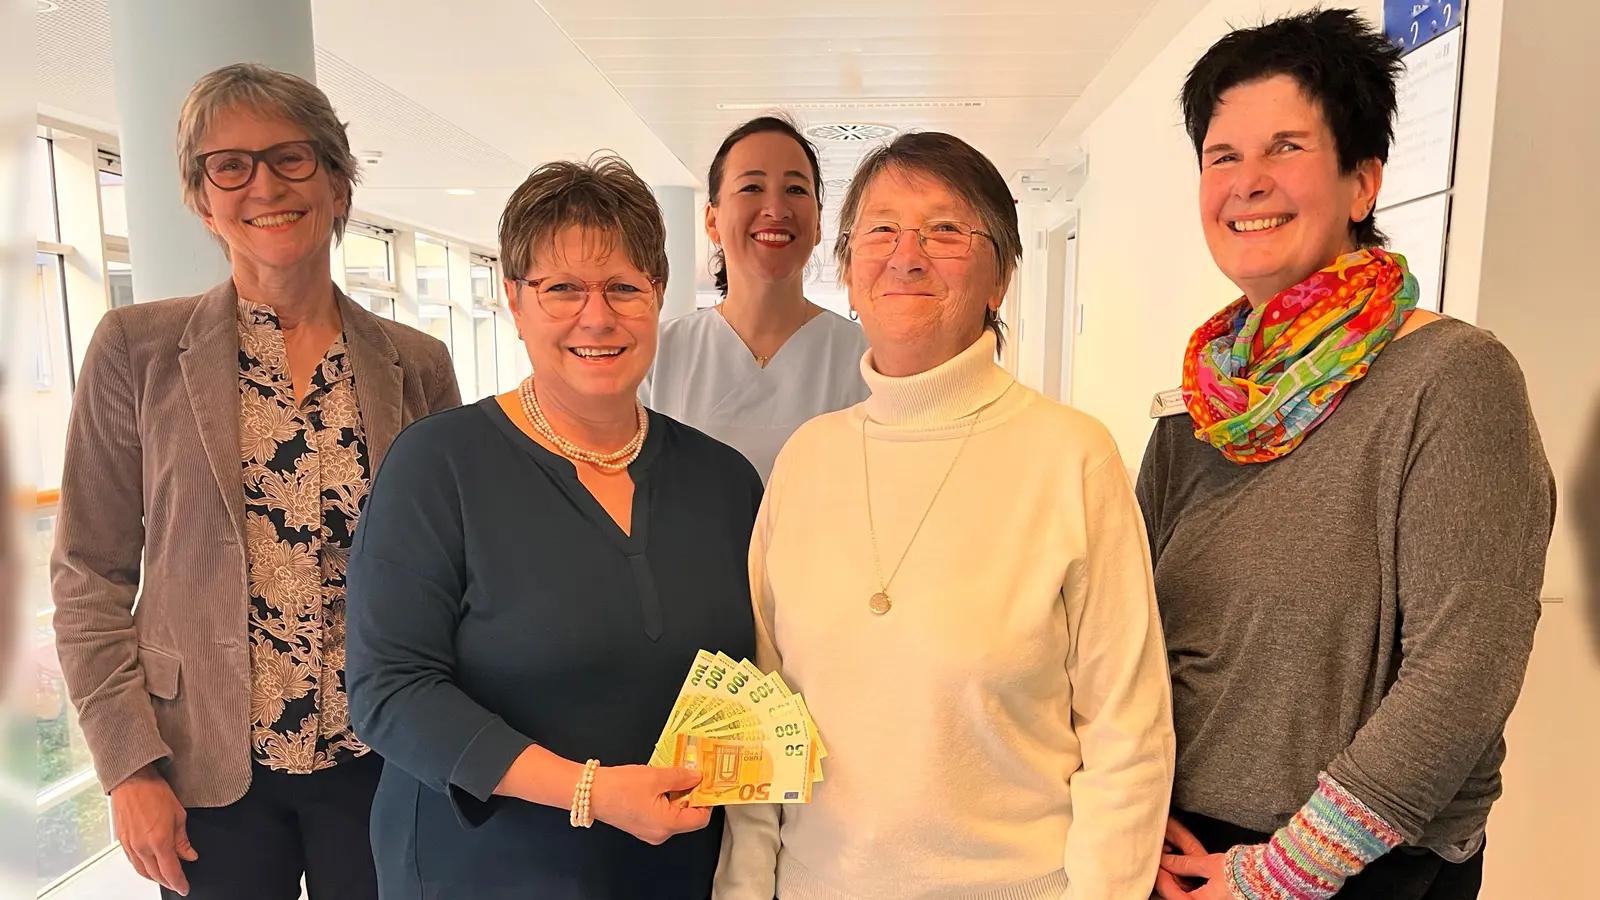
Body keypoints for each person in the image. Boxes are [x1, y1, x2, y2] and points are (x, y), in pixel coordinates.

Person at [1141, 11, 1556, 900]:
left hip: (1356, 866)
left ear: (1362, 182)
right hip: (1179, 849)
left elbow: (1466, 666)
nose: (1247, 184)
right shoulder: (1196, 412)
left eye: (1284, 148)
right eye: (1222, 156)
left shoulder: (1451, 377)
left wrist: (1282, 875)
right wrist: (1135, 807)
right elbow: (1130, 639)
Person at [714, 131, 1174, 900]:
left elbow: (1128, 733)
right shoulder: (808, 460)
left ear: (1002, 277)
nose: (909, 254)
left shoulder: (1071, 457)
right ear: (851, 274)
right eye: (882, 230)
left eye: (947, 230)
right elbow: (764, 714)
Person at [50, 63, 460, 900]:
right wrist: (129, 768)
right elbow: (86, 575)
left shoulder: (416, 365)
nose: (263, 183)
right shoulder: (135, 351)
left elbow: (456, 569)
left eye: (293, 158)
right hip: (204, 771)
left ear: (340, 185)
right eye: (228, 165)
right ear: (203, 202)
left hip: (379, 761)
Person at [344, 155, 763, 900]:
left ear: (658, 295)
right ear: (514, 300)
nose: (596, 316)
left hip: (676, 870)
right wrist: (591, 792)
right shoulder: (440, 467)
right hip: (484, 869)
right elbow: (389, 691)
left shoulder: (724, 481)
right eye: (562, 287)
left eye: (624, 287)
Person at [640, 116, 869, 481]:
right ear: (712, 220)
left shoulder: (865, 360)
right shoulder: (658, 357)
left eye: (795, 190)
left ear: (818, 225)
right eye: (751, 188)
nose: (776, 210)